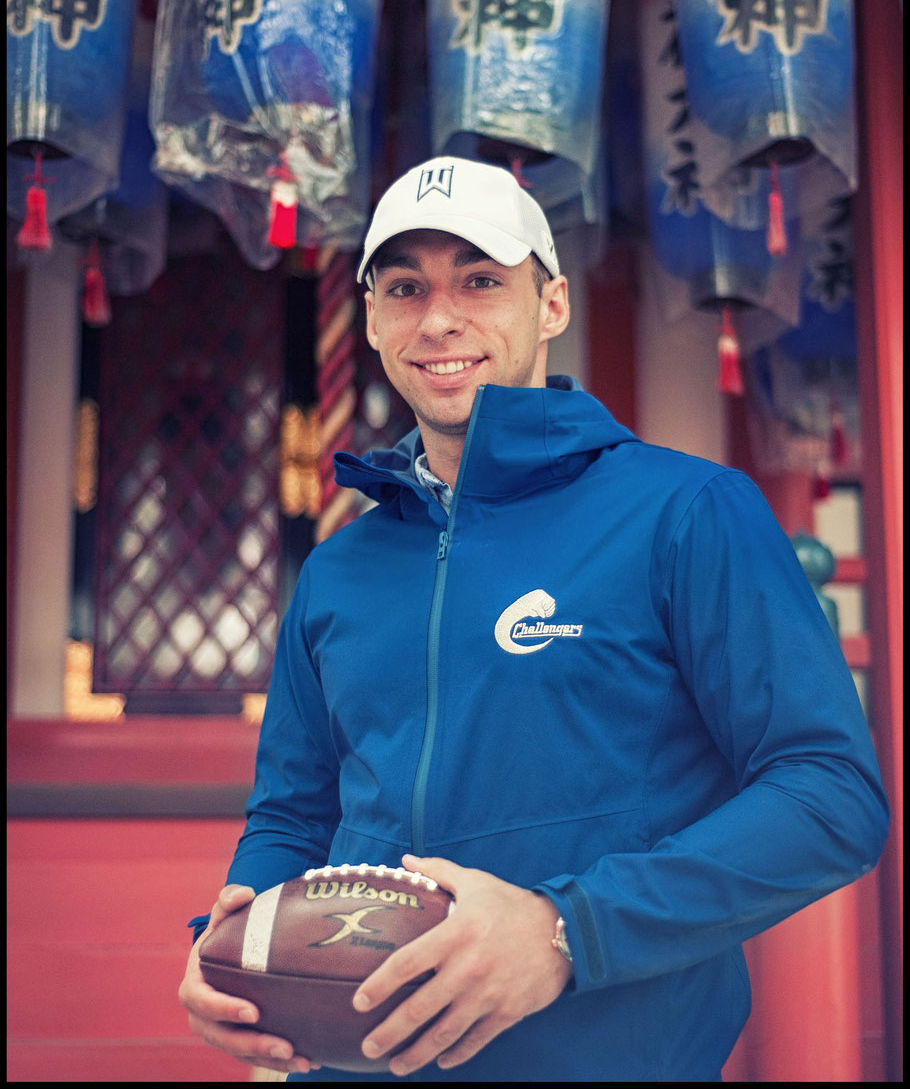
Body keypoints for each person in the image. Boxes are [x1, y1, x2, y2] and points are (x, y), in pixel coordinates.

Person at [179, 155, 888, 1082]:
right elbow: (293, 813)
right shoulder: (341, 570)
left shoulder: (686, 512)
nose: (439, 318)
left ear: (552, 302)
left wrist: (567, 931)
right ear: (375, 322)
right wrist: (227, 944)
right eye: (405, 287)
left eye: (480, 279)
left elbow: (830, 793)